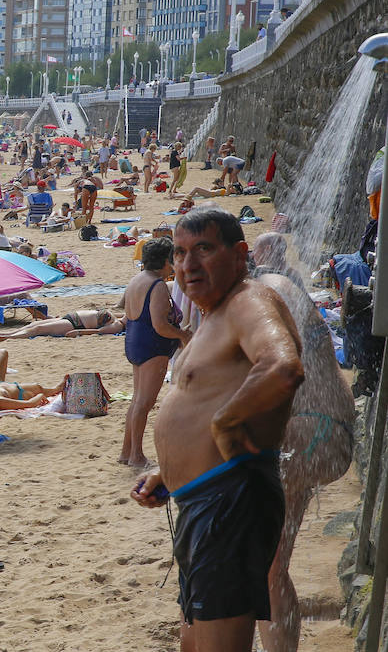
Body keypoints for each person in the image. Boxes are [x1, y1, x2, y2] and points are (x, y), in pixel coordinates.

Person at [131, 206, 304, 652]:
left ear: (240, 254)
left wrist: (226, 421)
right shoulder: (214, 315)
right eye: (181, 252)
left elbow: (283, 367)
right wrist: (167, 473)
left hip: (231, 503)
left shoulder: (249, 301)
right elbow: (204, 395)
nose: (188, 265)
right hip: (204, 503)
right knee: (193, 642)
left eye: (204, 249)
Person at [253, 270, 354, 652]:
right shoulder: (284, 290)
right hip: (326, 431)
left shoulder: (262, 295)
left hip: (307, 433)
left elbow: (276, 376)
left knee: (263, 565)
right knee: (274, 565)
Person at [122, 237, 190, 466]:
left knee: (137, 401)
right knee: (144, 403)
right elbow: (160, 325)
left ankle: (126, 452)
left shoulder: (137, 280)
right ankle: (136, 456)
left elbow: (126, 315)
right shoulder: (157, 285)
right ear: (164, 261)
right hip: (152, 345)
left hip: (135, 341)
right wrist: (182, 336)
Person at [0, 348, 64, 411]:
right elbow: (29, 403)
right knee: (37, 387)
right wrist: (40, 396)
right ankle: (56, 389)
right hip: (17, 392)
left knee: (2, 352)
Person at [0, 308, 118, 342]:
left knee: (38, 329)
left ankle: (7, 337)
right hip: (70, 316)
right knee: (34, 323)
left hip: (75, 324)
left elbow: (98, 331)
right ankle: (5, 334)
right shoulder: (118, 316)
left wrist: (78, 332)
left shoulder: (117, 326)